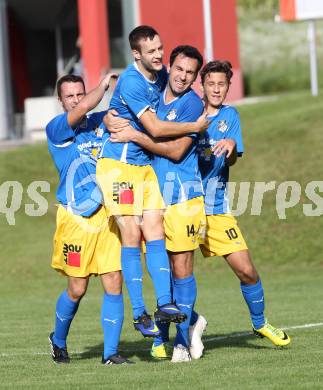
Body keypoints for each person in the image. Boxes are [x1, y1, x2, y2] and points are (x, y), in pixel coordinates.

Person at [96, 26, 208, 338]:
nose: (159, 55)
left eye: (160, 48)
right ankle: (139, 313)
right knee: (131, 231)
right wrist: (195, 127)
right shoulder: (132, 80)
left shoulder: (160, 75)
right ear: (136, 54)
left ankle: (165, 304)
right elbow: (156, 129)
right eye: (151, 51)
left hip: (142, 165)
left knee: (154, 227)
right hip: (118, 164)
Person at [197, 60, 291, 349]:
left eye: (221, 84)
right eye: (211, 83)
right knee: (177, 275)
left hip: (216, 209)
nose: (216, 88)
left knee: (247, 270)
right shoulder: (189, 111)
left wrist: (231, 148)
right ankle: (180, 330)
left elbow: (233, 157)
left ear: (228, 86)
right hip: (183, 206)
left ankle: (260, 323)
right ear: (202, 84)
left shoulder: (230, 116)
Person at [46, 74, 133, 365]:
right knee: (77, 288)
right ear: (61, 101)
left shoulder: (100, 123)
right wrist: (103, 86)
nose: (76, 99)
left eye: (79, 93)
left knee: (113, 281)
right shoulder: (57, 129)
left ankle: (110, 354)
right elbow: (83, 110)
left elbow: (128, 115)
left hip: (107, 216)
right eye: (70, 96)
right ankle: (58, 340)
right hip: (75, 219)